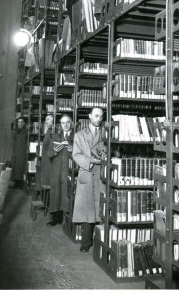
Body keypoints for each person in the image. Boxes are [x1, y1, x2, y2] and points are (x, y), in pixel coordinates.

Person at [72, 107, 106, 252]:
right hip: (87, 172)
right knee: (87, 211)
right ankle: (86, 244)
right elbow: (76, 155)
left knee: (100, 209)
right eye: (96, 115)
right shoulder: (79, 135)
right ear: (90, 116)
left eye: (101, 116)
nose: (99, 118)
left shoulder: (106, 134)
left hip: (101, 175)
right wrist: (91, 161)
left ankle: (100, 244)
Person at [46, 114, 73, 226]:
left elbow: (81, 154)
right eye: (63, 123)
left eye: (67, 122)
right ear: (60, 125)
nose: (65, 125)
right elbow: (48, 154)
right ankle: (56, 218)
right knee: (56, 193)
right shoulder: (55, 137)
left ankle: (67, 219)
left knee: (67, 193)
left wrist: (72, 149)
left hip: (68, 169)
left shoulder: (76, 137)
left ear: (71, 123)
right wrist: (55, 151)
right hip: (56, 170)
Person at [11, 117, 28, 189]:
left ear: (24, 123)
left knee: (21, 168)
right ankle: (16, 183)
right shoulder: (16, 132)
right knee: (15, 167)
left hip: (22, 152)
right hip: (15, 152)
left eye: (21, 122)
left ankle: (20, 184)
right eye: (19, 122)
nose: (20, 123)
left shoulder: (26, 132)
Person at [40, 114, 54, 188]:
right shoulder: (49, 130)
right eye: (46, 119)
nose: (46, 121)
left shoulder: (53, 131)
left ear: (53, 120)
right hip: (46, 158)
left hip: (49, 159)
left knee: (48, 180)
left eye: (48, 119)